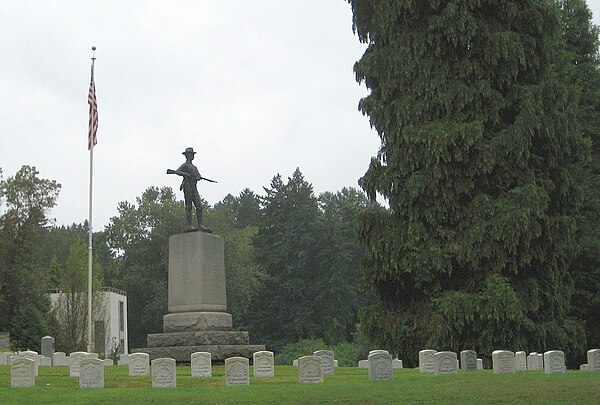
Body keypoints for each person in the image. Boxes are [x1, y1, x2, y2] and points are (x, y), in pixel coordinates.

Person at [177, 147, 212, 232]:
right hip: (187, 187)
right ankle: (189, 225)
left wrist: (198, 177)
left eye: (193, 154)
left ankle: (200, 225)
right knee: (188, 207)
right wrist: (186, 174)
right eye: (191, 154)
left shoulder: (195, 167)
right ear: (187, 155)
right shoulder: (184, 165)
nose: (192, 156)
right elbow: (177, 171)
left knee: (199, 206)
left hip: (194, 188)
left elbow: (198, 175)